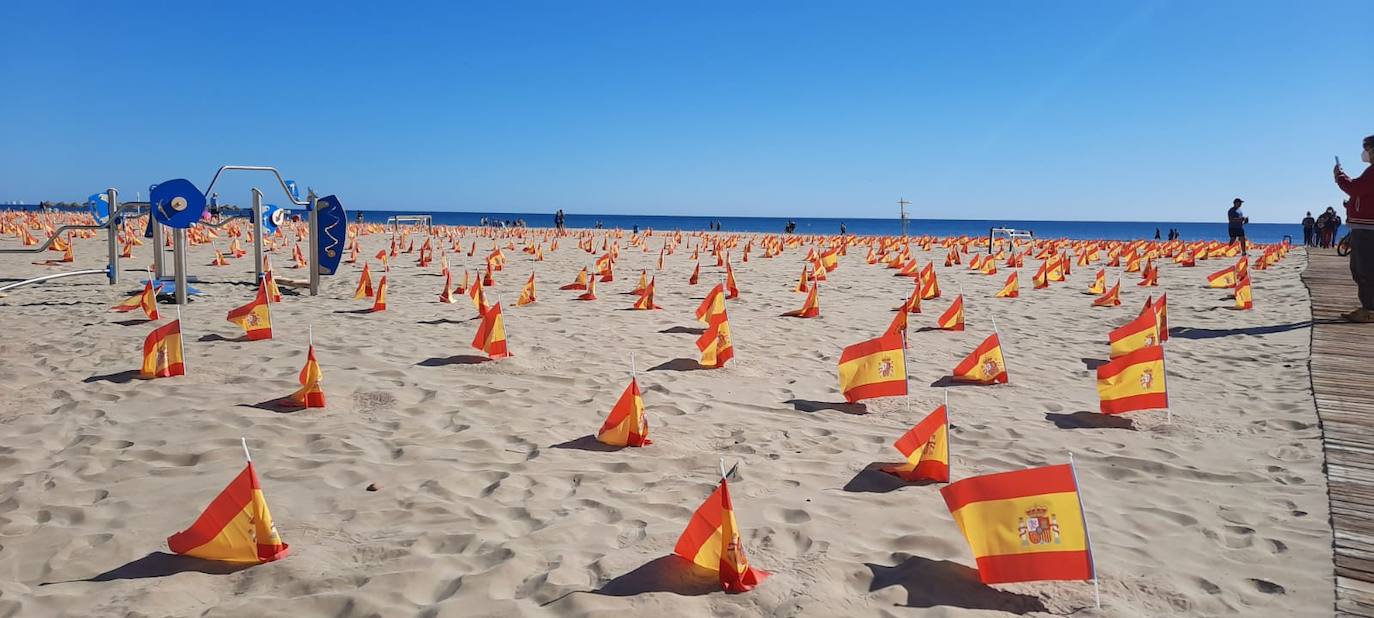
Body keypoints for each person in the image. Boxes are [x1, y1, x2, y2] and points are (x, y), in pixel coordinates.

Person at [1335, 135, 1374, 322]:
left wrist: (1339, 175)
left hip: (1367, 229)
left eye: (1367, 148)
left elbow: (1355, 188)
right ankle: (1368, 308)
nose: (1365, 153)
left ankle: (1369, 310)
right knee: (1362, 268)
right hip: (1364, 226)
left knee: (1363, 269)